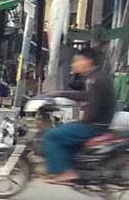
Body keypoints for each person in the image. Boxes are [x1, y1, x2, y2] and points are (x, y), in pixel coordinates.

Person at [42, 48, 118, 183]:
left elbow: (95, 107)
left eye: (77, 61)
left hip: (93, 126)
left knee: (52, 135)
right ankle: (65, 165)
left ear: (88, 61)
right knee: (64, 130)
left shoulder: (95, 80)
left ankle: (65, 172)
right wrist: (60, 93)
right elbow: (85, 95)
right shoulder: (96, 77)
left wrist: (81, 122)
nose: (73, 65)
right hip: (97, 123)